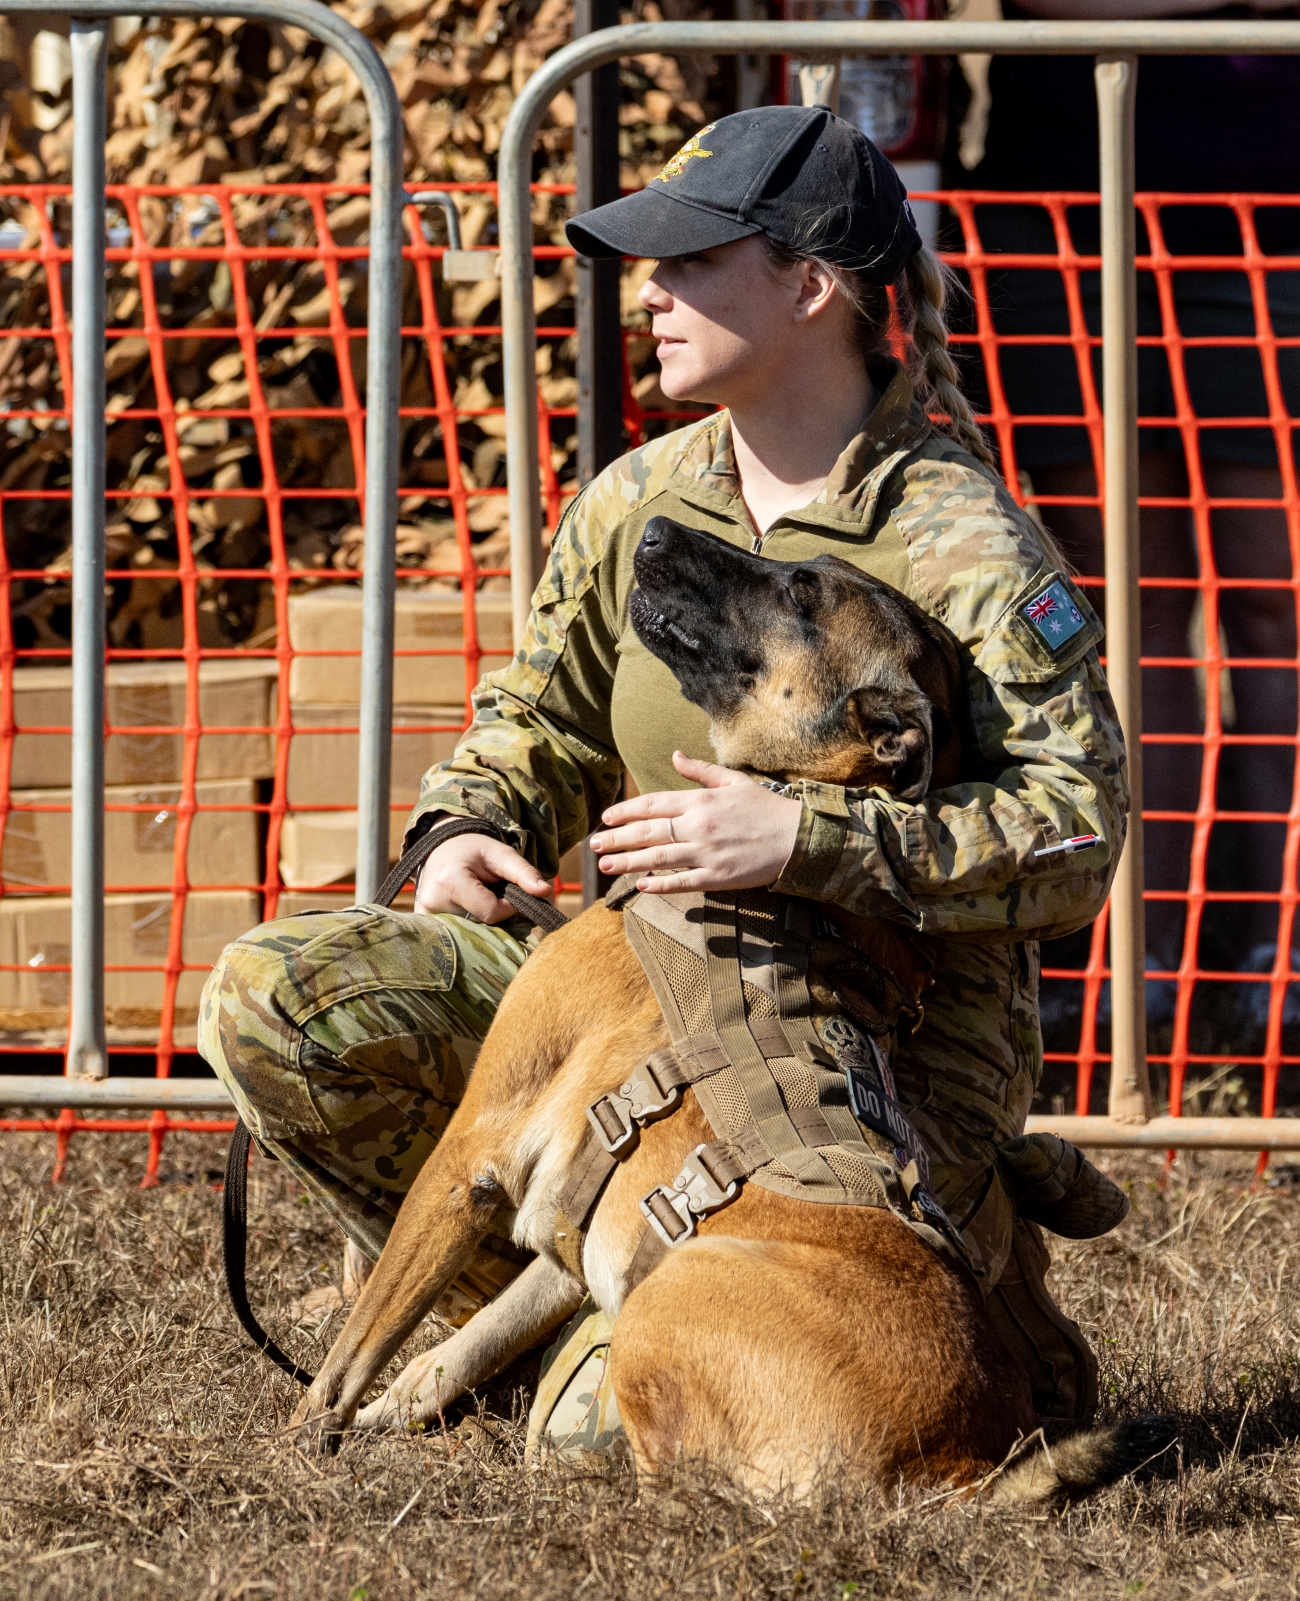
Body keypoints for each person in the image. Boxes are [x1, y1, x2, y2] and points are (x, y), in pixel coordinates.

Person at [199, 105, 1128, 1434]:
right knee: (273, 999)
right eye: (653, 263)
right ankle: (536, 1306)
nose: (649, 289)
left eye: (695, 260)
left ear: (811, 287)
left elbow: (1079, 827)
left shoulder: (961, 543)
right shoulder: (640, 496)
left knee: (603, 1438)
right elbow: (541, 718)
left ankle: (798, 1298)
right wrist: (464, 825)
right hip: (641, 998)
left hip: (869, 1065)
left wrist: (804, 838)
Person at [949, 0, 1300, 1033]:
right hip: (1054, 196)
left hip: (1267, 205)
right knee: (1121, 616)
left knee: (1273, 610)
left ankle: (1273, 936)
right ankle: (1141, 939)